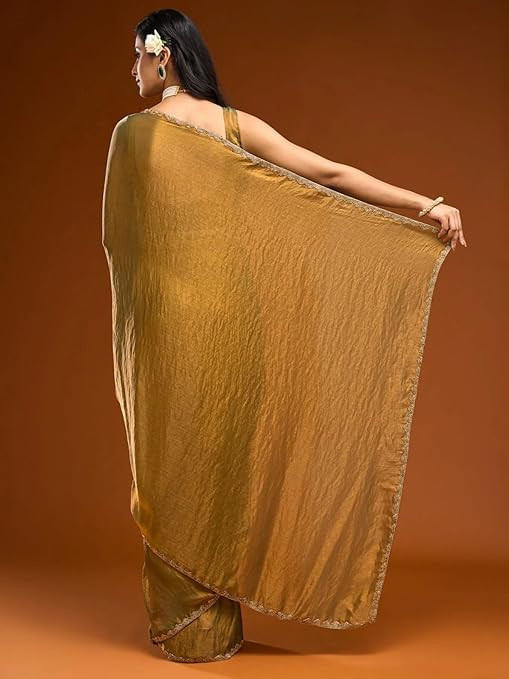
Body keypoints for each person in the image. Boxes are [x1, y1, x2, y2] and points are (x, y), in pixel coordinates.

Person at [102, 7, 465, 664]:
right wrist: (426, 204)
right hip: (236, 327)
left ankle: (189, 629)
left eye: (137, 55)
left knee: (171, 460)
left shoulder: (132, 136)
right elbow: (329, 173)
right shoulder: (232, 127)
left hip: (166, 332)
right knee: (223, 461)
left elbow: (123, 247)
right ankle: (210, 624)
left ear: (163, 55)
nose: (133, 69)